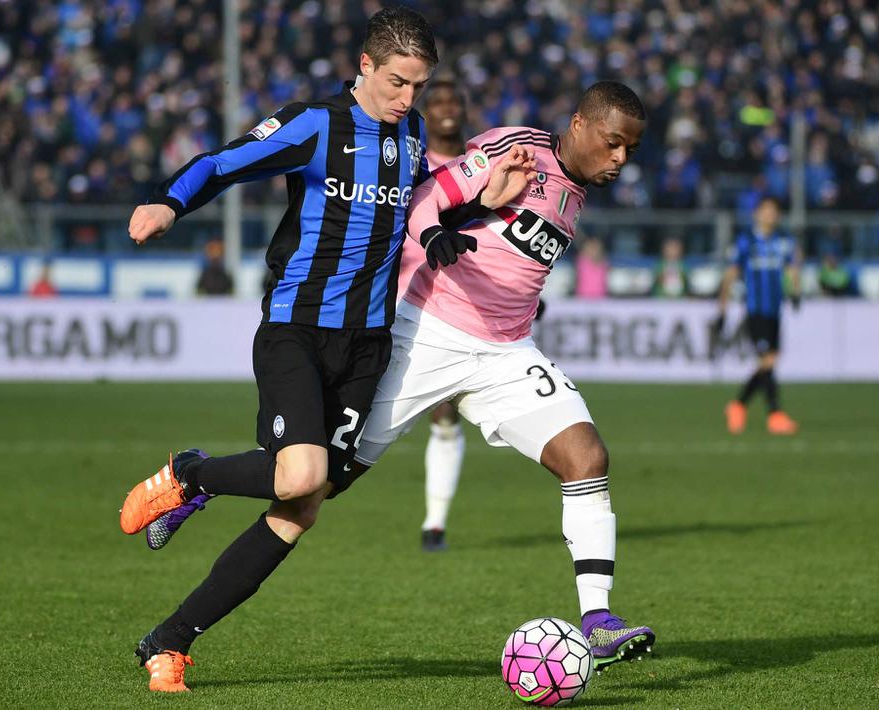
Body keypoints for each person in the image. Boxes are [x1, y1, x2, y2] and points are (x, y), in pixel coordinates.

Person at [147, 82, 656, 673]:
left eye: (631, 150)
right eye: (614, 144)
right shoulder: (516, 148)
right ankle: (194, 481)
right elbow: (421, 202)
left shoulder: (576, 190)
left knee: (587, 457)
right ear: (579, 124)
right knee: (307, 493)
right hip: (424, 336)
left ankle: (597, 621)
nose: (621, 160)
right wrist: (444, 228)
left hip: (505, 355)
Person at [116, 8, 495, 693]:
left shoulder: (407, 134)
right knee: (298, 478)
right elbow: (224, 162)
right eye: (401, 83)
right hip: (296, 328)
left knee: (303, 503)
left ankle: (168, 641)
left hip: (368, 347)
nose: (412, 100)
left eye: (421, 85)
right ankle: (189, 475)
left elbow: (411, 213)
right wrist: (168, 204)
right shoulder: (316, 124)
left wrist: (480, 204)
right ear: (366, 66)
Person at [397, 77, 470, 552]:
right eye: (436, 100)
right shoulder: (410, 160)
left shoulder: (479, 167)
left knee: (445, 413)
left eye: (452, 101)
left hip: (454, 308)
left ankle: (434, 524)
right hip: (395, 296)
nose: (444, 108)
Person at [717, 196, 802, 436]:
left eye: (774, 212)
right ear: (757, 214)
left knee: (770, 360)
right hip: (755, 310)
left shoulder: (783, 241)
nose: (770, 215)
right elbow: (732, 274)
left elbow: (792, 267)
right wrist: (722, 307)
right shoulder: (746, 241)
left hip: (775, 309)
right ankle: (774, 414)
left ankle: (738, 405)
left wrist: (795, 291)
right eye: (766, 211)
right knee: (768, 360)